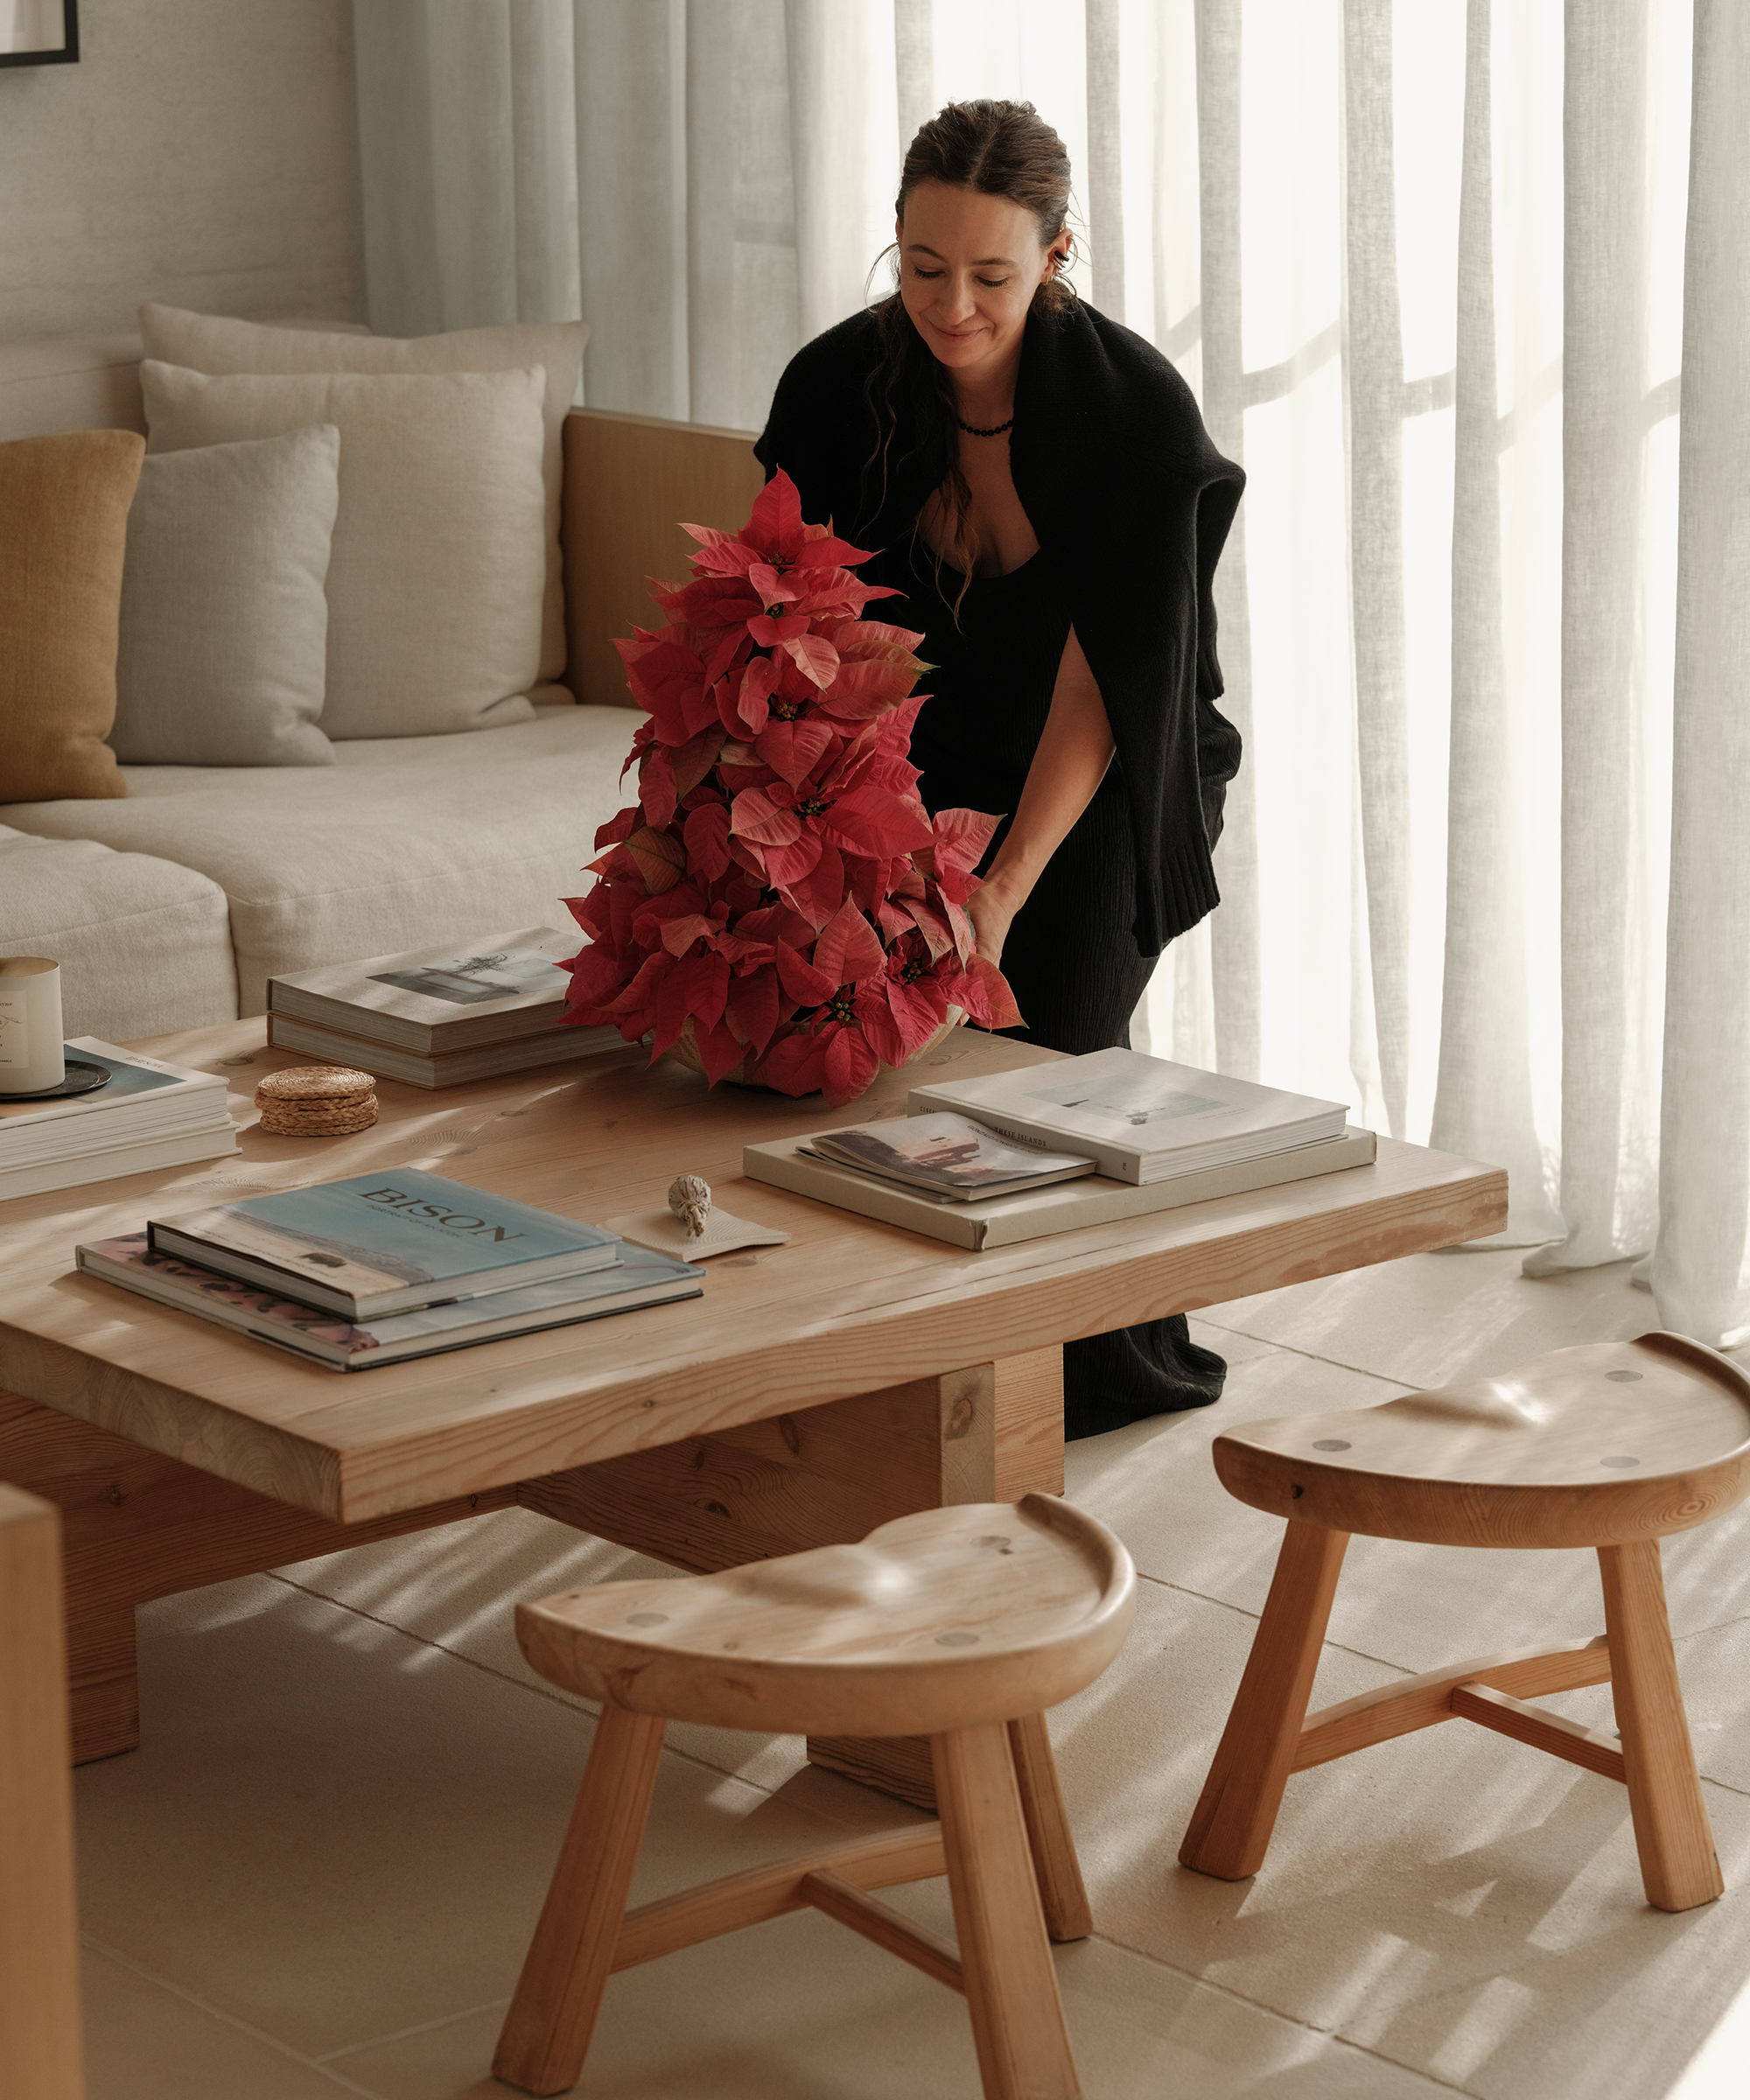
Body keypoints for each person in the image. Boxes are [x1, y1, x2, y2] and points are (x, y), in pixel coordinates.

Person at [755, 98, 1245, 1439]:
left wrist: (1006, 882)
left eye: (991, 275)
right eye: (923, 268)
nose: (952, 306)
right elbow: (795, 622)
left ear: (1057, 255)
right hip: (919, 741)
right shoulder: (835, 386)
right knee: (875, 1047)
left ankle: (1091, 1377)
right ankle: (911, 1369)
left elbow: (1107, 681)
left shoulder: (1134, 416)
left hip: (1114, 756)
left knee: (1052, 1038)